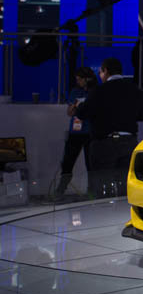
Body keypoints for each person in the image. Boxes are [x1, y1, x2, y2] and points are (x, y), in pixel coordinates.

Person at [72, 58, 143, 197]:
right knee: (126, 185)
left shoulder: (99, 91)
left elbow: (83, 113)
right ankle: (124, 216)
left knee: (101, 185)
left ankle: (104, 215)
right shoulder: (136, 90)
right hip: (128, 141)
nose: (100, 75)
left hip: (104, 143)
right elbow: (142, 116)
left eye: (100, 72)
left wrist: (78, 107)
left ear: (106, 71)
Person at [55, 67, 97, 199]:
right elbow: (70, 112)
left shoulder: (95, 91)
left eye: (80, 79)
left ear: (87, 79)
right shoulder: (75, 91)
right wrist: (76, 105)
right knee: (68, 162)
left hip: (90, 132)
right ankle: (60, 191)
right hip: (75, 132)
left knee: (90, 164)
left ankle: (92, 191)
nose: (78, 81)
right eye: (76, 79)